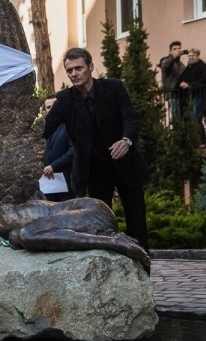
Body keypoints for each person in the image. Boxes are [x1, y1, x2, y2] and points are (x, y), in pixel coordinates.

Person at [43, 47, 149, 252]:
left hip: (125, 165)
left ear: (91, 66)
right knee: (101, 225)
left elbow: (131, 118)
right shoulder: (65, 99)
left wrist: (126, 140)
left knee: (137, 223)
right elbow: (47, 127)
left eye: (79, 68)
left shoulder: (114, 88)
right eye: (69, 70)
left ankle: (143, 266)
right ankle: (107, 267)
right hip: (95, 171)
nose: (74, 74)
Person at [177, 47, 206, 147]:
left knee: (195, 118)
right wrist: (182, 83)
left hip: (202, 96)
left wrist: (189, 85)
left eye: (193, 55)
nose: (191, 57)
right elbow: (182, 78)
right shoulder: (189, 68)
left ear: (197, 56)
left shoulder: (202, 67)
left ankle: (202, 141)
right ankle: (200, 141)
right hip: (194, 97)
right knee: (194, 118)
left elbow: (203, 81)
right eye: (189, 56)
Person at [41, 97, 75, 202]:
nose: (51, 109)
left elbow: (73, 151)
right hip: (46, 183)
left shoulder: (70, 126)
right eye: (48, 107)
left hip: (66, 181)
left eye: (54, 106)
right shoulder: (41, 130)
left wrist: (54, 166)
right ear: (44, 110)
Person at [159, 40, 186, 119]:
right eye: (174, 49)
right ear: (170, 51)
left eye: (179, 48)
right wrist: (172, 57)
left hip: (182, 93)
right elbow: (165, 66)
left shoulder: (181, 65)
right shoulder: (165, 60)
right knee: (176, 117)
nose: (177, 51)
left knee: (183, 116)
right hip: (172, 93)